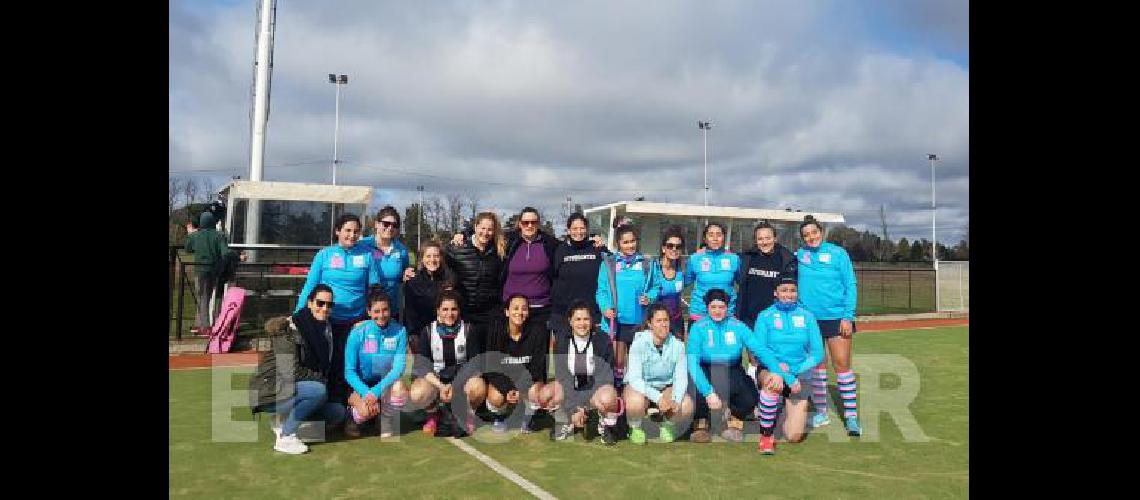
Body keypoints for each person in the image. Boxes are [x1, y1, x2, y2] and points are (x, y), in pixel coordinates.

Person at [249, 285, 347, 455]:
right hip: (269, 390)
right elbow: (290, 372)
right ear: (309, 303)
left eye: (329, 305)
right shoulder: (289, 328)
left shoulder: (328, 331)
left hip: (298, 388)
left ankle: (284, 422)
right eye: (320, 303)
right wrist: (321, 381)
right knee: (318, 390)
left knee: (337, 412)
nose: (325, 308)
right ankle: (286, 436)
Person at [295, 214, 380, 405]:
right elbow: (310, 287)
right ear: (337, 231)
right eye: (347, 230)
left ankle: (354, 410)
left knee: (357, 366)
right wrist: (297, 316)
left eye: (356, 231)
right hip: (327, 321)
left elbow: (375, 290)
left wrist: (370, 319)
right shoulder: (324, 255)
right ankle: (330, 408)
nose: (352, 235)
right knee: (331, 365)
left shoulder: (367, 255)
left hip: (356, 323)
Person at [686, 289, 781, 443]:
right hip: (706, 368)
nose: (717, 311)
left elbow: (760, 349)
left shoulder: (738, 326)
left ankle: (733, 419)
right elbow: (692, 362)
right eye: (713, 307)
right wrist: (708, 392)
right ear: (707, 308)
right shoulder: (698, 327)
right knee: (694, 392)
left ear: (727, 308)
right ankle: (701, 422)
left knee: (749, 398)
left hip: (731, 368)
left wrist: (776, 371)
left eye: (721, 307)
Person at [795, 215, 861, 436]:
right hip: (809, 320)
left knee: (841, 365)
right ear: (802, 238)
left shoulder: (838, 254)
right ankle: (821, 412)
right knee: (817, 367)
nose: (810, 237)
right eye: (806, 235)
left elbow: (850, 284)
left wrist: (847, 316)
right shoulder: (800, 256)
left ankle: (851, 417)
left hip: (837, 317)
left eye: (814, 233)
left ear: (821, 232)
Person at [751, 276, 826, 454]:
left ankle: (777, 411)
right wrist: (783, 373)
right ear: (775, 293)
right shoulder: (765, 316)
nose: (789, 294)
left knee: (793, 436)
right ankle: (766, 436)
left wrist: (792, 372)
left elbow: (817, 354)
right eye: (784, 290)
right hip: (772, 370)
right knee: (773, 381)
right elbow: (760, 352)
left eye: (792, 290)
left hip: (798, 377)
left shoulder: (807, 317)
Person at [408, 290, 486, 437]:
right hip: (437, 382)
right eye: (445, 309)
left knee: (479, 387)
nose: (449, 314)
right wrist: (441, 386)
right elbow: (423, 367)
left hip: (461, 381)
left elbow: (475, 364)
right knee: (417, 392)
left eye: (453, 309)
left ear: (459, 310)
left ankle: (466, 414)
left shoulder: (469, 330)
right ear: (438, 310)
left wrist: (455, 387)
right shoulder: (427, 331)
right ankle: (433, 414)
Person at [596, 223, 659, 390]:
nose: (630, 245)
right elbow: (601, 291)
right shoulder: (609, 263)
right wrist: (605, 308)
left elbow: (656, 286)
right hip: (617, 323)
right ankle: (616, 395)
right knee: (618, 363)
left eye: (633, 241)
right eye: (625, 242)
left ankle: (638, 397)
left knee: (639, 364)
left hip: (640, 322)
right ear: (618, 244)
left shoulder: (647, 263)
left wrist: (650, 297)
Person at [480, 294, 555, 433]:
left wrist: (521, 389)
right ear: (507, 312)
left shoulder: (538, 331)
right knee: (496, 397)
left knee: (537, 392)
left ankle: (527, 418)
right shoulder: (496, 331)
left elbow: (538, 368)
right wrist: (507, 389)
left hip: (526, 381)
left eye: (524, 309)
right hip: (504, 380)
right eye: (515, 308)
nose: (519, 312)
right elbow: (491, 367)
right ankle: (500, 417)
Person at [550, 300, 621, 444]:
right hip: (572, 390)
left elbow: (605, 378)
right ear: (570, 321)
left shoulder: (602, 340)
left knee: (609, 396)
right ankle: (565, 421)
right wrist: (573, 408)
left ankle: (606, 426)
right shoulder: (562, 341)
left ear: (592, 321)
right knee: (551, 393)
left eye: (586, 319)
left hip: (595, 390)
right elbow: (562, 377)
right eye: (578, 319)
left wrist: (584, 405)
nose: (582, 324)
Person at [623, 303, 694, 445]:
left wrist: (676, 399)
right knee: (635, 403)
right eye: (659, 321)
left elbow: (680, 378)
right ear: (650, 324)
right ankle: (634, 427)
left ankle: (667, 425)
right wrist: (658, 398)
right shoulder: (638, 343)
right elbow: (635, 379)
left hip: (665, 386)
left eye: (666, 320)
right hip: (640, 388)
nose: (663, 325)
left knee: (686, 405)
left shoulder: (678, 345)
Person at [343, 287, 409, 438]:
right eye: (376, 311)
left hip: (383, 385)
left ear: (390, 310)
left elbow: (398, 368)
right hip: (361, 385)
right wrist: (366, 393)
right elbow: (349, 372)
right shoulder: (357, 333)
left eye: (385, 310)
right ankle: (352, 414)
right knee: (364, 413)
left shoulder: (400, 331)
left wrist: (376, 391)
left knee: (400, 388)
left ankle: (383, 418)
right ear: (369, 312)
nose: (381, 315)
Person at [445, 212, 506, 340]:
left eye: (490, 229)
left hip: (490, 316)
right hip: (465, 315)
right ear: (475, 227)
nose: (485, 233)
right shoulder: (458, 248)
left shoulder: (499, 252)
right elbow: (437, 266)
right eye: (483, 228)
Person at [549, 213, 610, 336]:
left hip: (592, 313)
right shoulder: (559, 250)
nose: (579, 232)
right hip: (564, 314)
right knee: (564, 353)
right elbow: (551, 277)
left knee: (592, 353)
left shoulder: (597, 248)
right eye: (575, 228)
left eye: (582, 228)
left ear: (587, 230)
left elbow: (613, 269)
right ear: (568, 230)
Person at [357, 205, 414, 321]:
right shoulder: (362, 245)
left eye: (395, 225)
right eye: (386, 224)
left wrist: (405, 275)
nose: (390, 228)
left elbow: (404, 274)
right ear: (376, 224)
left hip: (391, 310)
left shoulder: (401, 250)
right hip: (366, 311)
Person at [736, 222, 797, 330]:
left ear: (775, 238)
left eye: (768, 238)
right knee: (754, 347)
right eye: (760, 239)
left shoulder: (786, 259)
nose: (764, 242)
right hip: (750, 319)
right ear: (755, 240)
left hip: (776, 318)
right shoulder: (747, 257)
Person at [401, 240, 456, 354]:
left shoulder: (450, 281)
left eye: (436, 256)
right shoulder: (413, 282)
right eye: (428, 256)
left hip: (445, 334)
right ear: (422, 259)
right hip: (421, 336)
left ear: (441, 258)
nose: (432, 260)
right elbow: (410, 314)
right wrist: (413, 336)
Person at [184, 210, 230, 335]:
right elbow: (225, 253)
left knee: (202, 298)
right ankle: (204, 324)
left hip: (200, 271)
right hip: (215, 270)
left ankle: (204, 326)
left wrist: (190, 234)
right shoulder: (219, 235)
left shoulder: (195, 236)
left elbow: (187, 249)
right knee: (213, 297)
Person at [685, 222, 740, 324]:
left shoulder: (734, 259)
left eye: (719, 235)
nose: (715, 238)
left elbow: (742, 282)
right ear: (705, 239)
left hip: (726, 314)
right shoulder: (695, 258)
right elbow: (685, 281)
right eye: (711, 235)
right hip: (700, 314)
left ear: (723, 238)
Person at [652, 225, 691, 340]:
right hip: (657, 321)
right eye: (670, 246)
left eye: (678, 246)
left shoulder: (683, 268)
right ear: (663, 248)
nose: (674, 249)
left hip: (676, 321)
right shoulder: (653, 268)